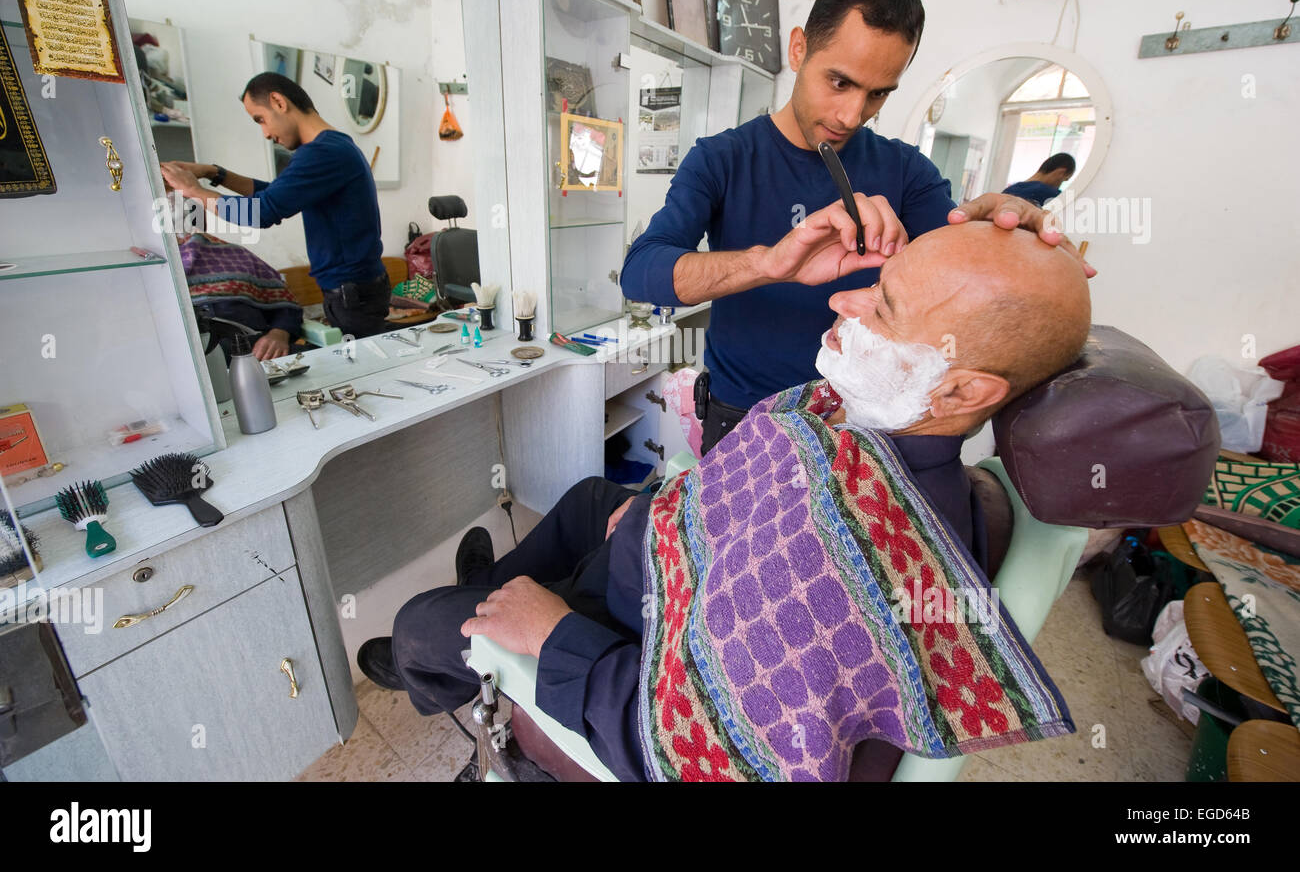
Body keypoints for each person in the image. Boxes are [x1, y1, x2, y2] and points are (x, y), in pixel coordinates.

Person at [359, 220, 1091, 781]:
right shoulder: (880, 429)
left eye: (885, 304)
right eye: (877, 279)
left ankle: (441, 659)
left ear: (966, 390)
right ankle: (484, 608)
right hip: (659, 560)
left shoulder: (837, 568)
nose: (841, 298)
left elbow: (691, 743)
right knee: (589, 495)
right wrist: (670, 505)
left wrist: (550, 633)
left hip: (629, 638)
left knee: (420, 622)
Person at [620, 0, 1093, 456]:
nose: (852, 115)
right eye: (839, 82)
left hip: (863, 428)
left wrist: (1003, 229)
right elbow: (640, 275)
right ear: (799, 48)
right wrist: (770, 264)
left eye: (878, 93)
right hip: (743, 417)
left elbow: (968, 282)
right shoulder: (722, 158)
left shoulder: (907, 170)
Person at [159, 73, 391, 339]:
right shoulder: (333, 147)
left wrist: (193, 190)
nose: (266, 133)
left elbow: (261, 211)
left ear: (279, 102)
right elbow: (272, 194)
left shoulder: (322, 153)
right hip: (355, 289)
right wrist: (214, 173)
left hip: (352, 293)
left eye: (260, 119)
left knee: (363, 372)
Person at [179, 230, 304, 361]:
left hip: (258, 351)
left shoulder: (236, 255)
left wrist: (279, 334)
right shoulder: (159, 273)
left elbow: (286, 308)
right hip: (195, 361)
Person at [1002, 153, 1076, 207]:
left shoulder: (1010, 189)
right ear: (1061, 172)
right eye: (1065, 179)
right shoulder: (1051, 194)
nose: (1059, 186)